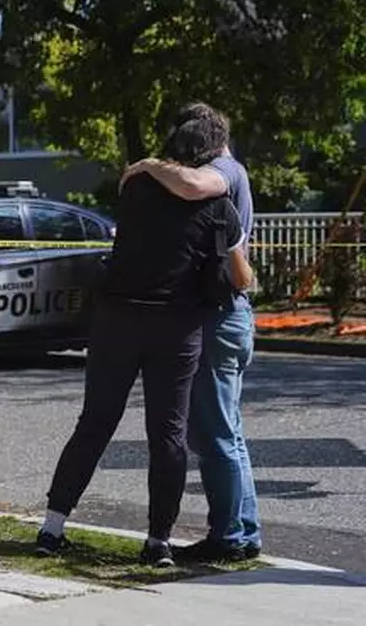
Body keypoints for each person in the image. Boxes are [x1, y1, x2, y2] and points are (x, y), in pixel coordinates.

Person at [34, 114, 255, 567]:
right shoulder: (219, 207)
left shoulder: (135, 189)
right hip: (176, 328)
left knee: (93, 424)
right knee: (168, 436)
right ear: (210, 156)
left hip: (117, 319)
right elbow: (241, 277)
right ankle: (158, 542)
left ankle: (52, 527)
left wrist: (149, 166)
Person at [120, 102, 261, 562]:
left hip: (220, 317)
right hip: (226, 315)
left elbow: (195, 184)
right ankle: (243, 530)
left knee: (215, 431)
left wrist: (145, 165)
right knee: (227, 431)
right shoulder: (226, 171)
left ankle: (230, 537)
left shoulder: (223, 171)